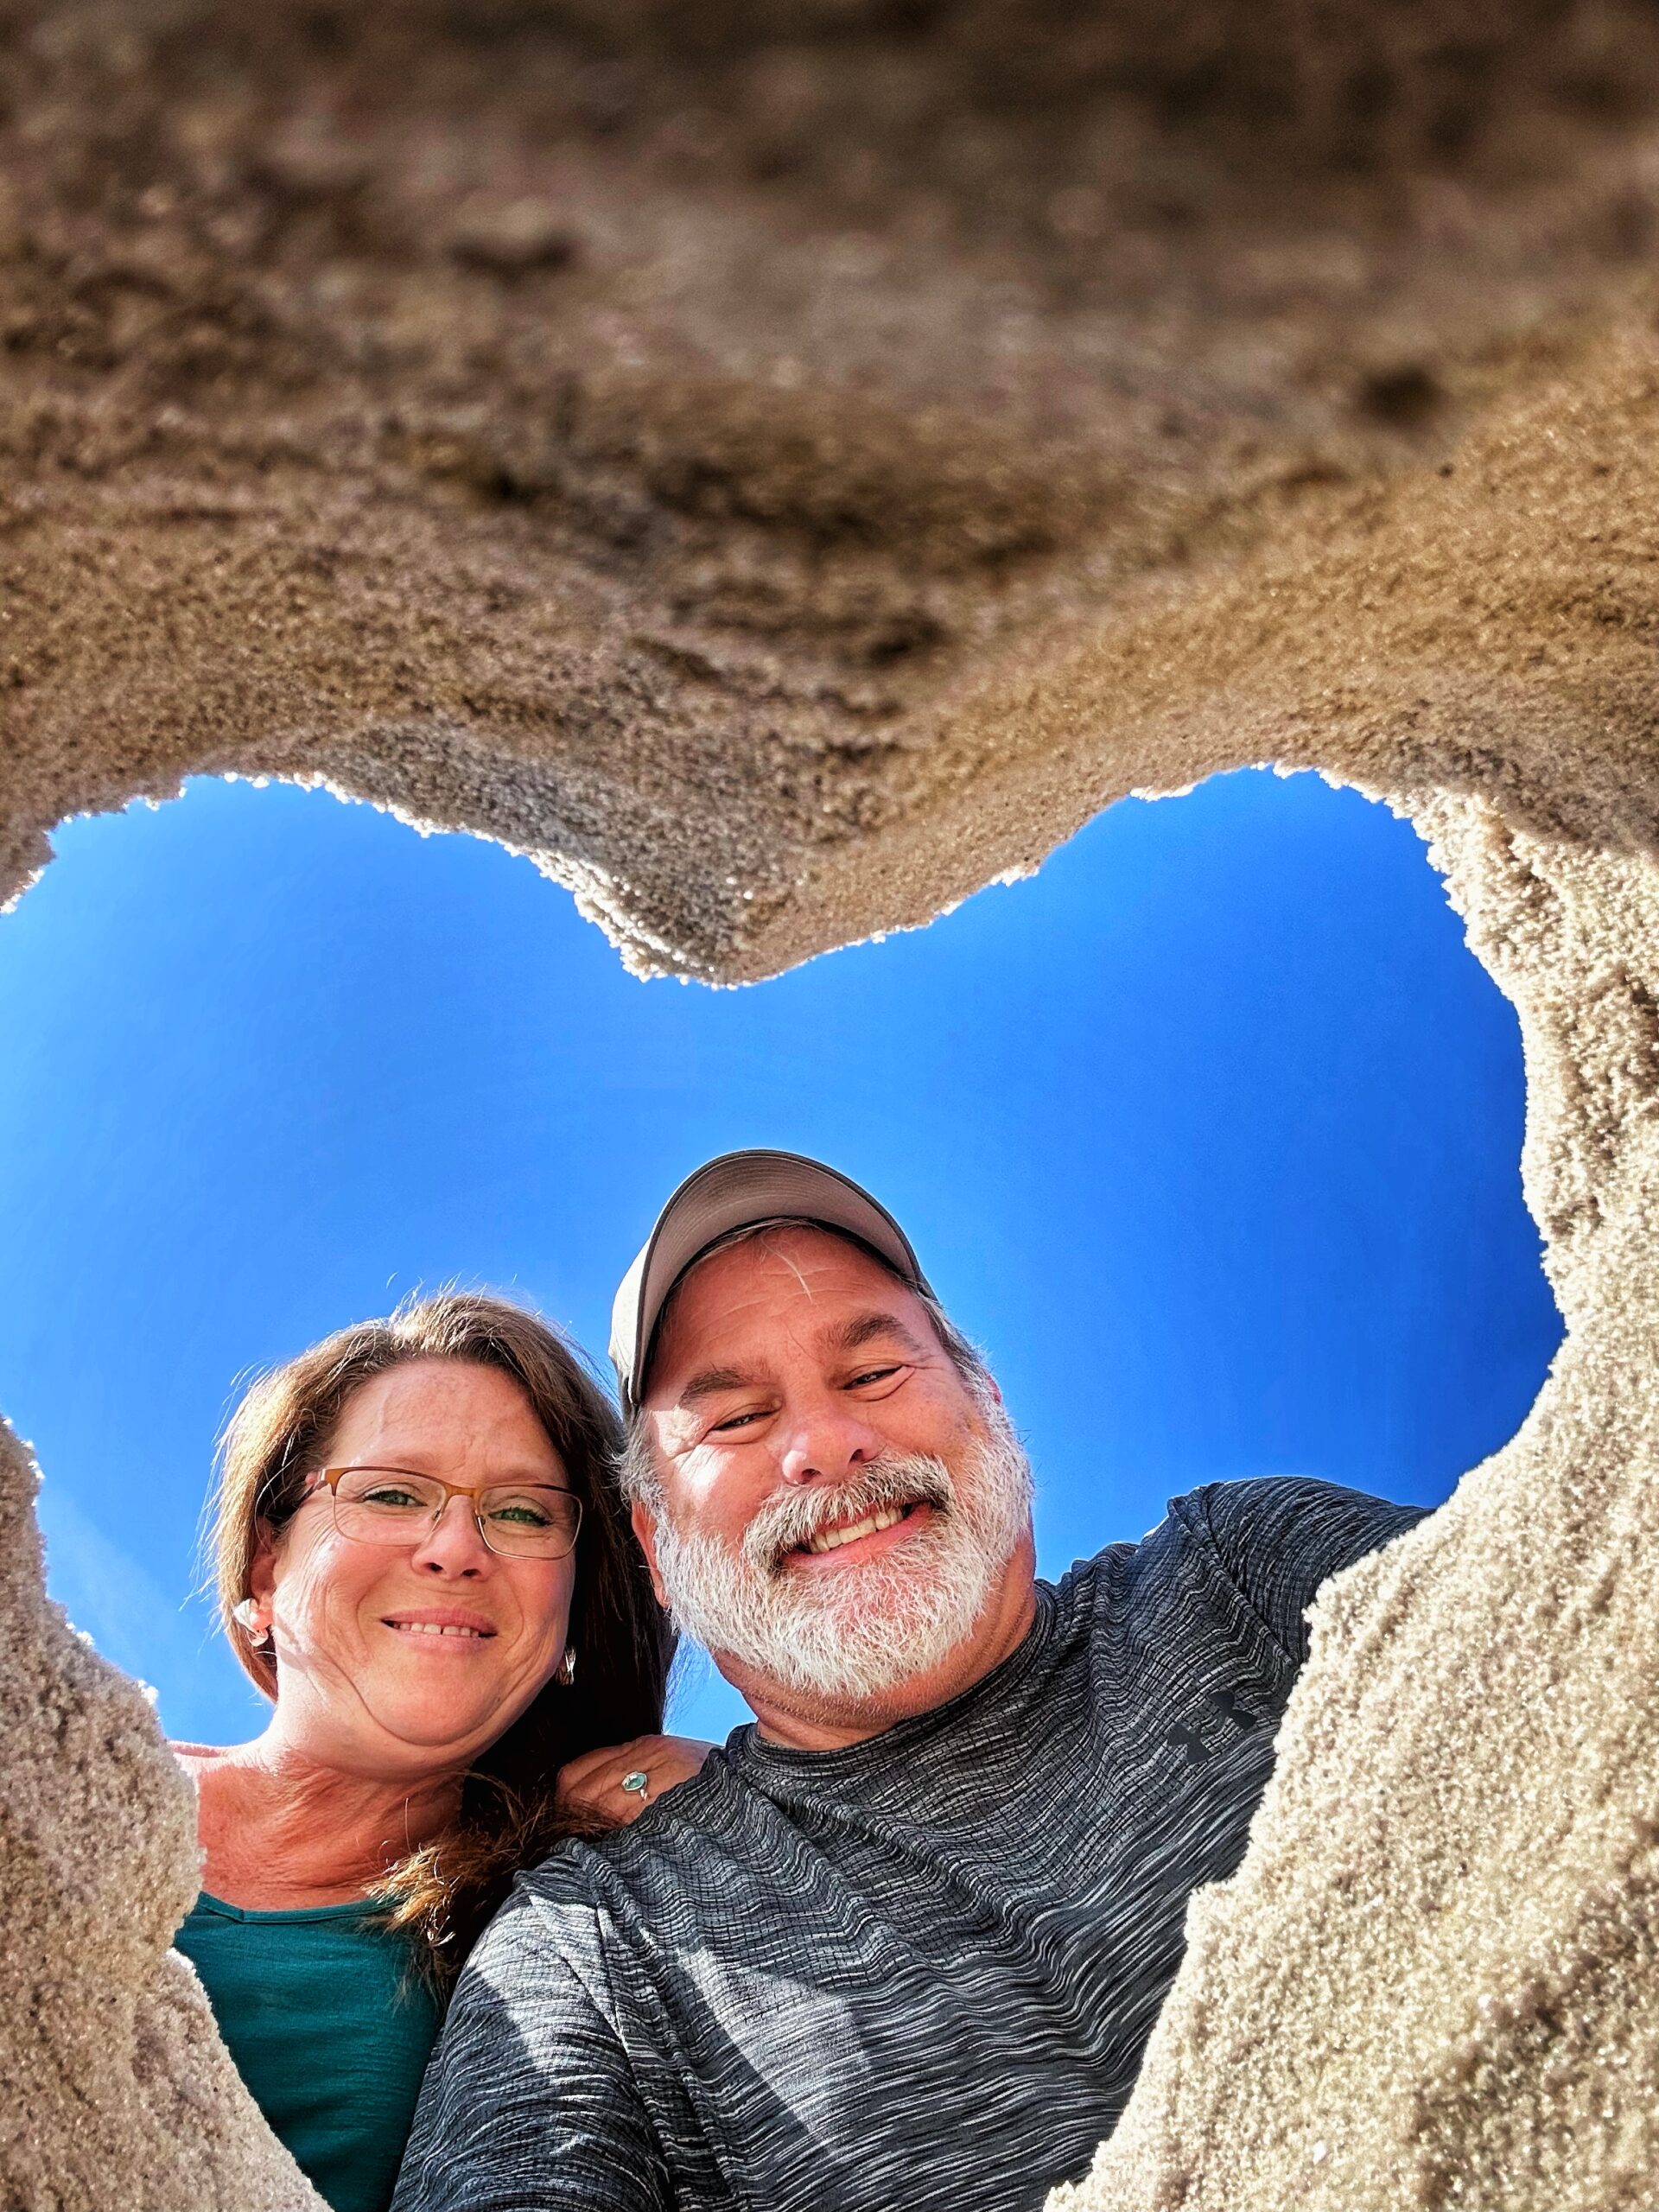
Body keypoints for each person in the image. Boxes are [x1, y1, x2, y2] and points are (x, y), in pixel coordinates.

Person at [394, 1154, 1428, 2212]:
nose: (823, 1443)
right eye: (736, 1418)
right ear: (656, 1542)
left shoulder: (1243, 1576)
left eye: (875, 1373)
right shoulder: (593, 1945)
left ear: (986, 1401)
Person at [173, 1291, 709, 2212]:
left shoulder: (575, 1918)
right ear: (266, 1568)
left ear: (572, 1614)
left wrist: (741, 1803)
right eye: (391, 1492)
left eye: (524, 1513)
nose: (455, 1547)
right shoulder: (58, 1777)